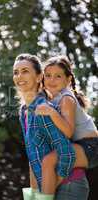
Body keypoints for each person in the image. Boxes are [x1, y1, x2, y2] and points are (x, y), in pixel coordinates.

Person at [13, 53, 89, 200]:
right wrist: (34, 195)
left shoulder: (45, 109)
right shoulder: (24, 111)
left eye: (25, 71)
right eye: (16, 72)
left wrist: (47, 191)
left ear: (38, 77)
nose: (19, 77)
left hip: (69, 186)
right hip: (48, 189)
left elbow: (67, 154)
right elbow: (33, 158)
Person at [35, 55, 98, 196]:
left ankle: (43, 197)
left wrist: (51, 112)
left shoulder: (66, 99)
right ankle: (45, 194)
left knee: (49, 161)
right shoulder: (54, 99)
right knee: (50, 169)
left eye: (58, 76)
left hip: (90, 146)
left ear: (68, 79)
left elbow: (68, 132)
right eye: (48, 75)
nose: (52, 80)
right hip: (83, 145)